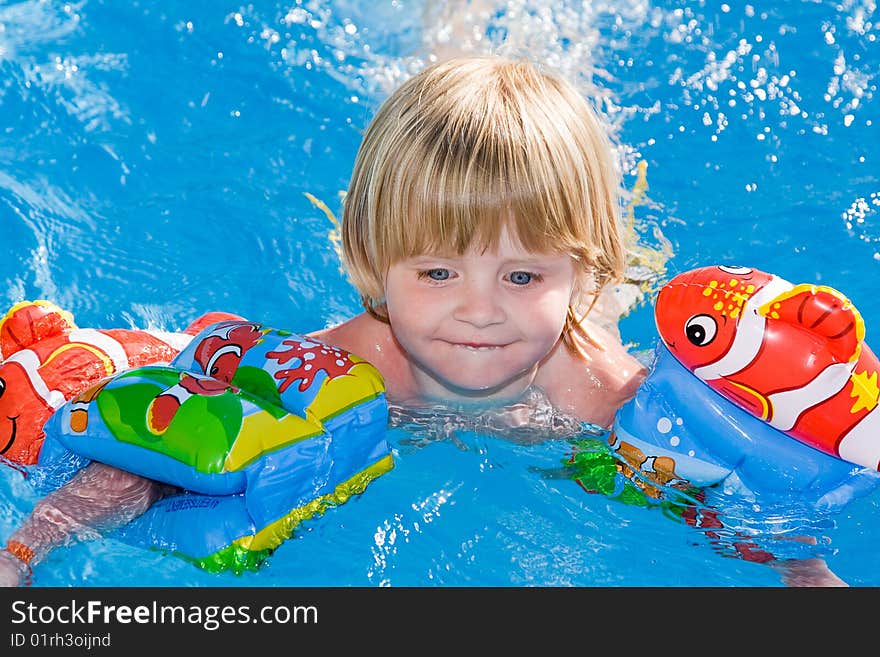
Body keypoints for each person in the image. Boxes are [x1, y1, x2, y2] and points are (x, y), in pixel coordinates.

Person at [0, 55, 837, 587]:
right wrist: (29, 549)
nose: (479, 309)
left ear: (578, 274)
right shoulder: (354, 369)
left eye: (523, 274)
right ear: (375, 266)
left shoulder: (592, 391)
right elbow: (169, 448)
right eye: (436, 271)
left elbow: (698, 492)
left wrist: (802, 567)